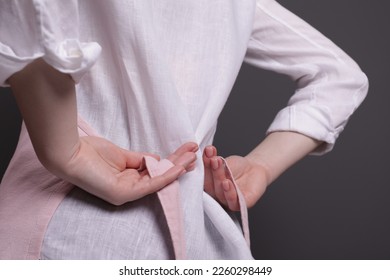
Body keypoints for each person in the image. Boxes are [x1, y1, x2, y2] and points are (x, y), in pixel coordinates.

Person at [0, 0, 368, 259]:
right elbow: (341, 76)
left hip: (69, 234)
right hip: (193, 249)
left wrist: (65, 149)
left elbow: (31, 13)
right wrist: (263, 166)